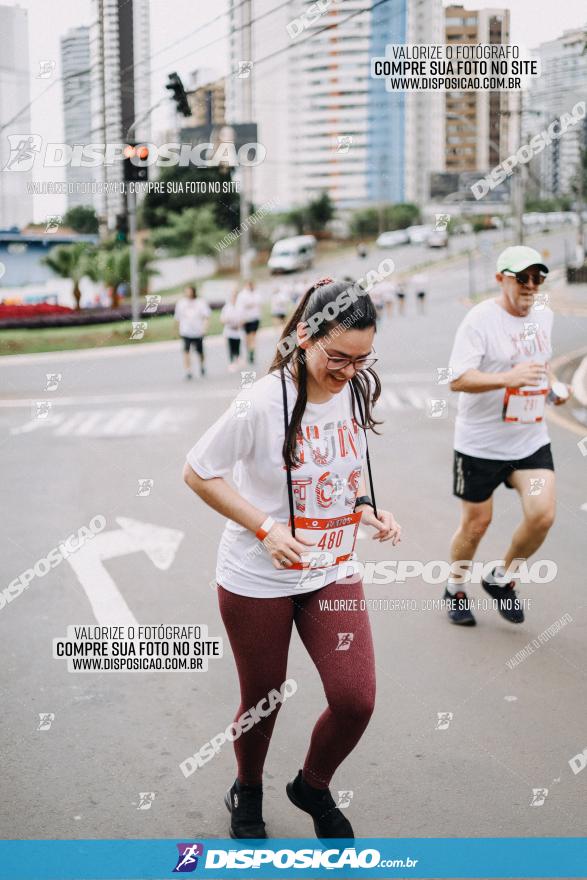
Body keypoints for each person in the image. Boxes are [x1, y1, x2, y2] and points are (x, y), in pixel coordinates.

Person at [183, 277, 402, 840]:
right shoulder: (259, 403)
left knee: (357, 699)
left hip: (332, 569)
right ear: (304, 336)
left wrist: (368, 509)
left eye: (361, 359)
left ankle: (312, 785)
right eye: (338, 357)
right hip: (259, 576)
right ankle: (248, 786)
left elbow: (341, 474)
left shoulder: (353, 390)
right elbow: (198, 471)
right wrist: (263, 527)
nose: (349, 371)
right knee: (264, 698)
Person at [444, 246, 569, 627]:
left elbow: (539, 364)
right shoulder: (479, 321)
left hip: (528, 441)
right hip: (480, 445)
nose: (531, 285)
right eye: (522, 278)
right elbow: (458, 378)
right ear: (501, 279)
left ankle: (501, 577)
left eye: (538, 277)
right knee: (477, 523)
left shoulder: (543, 317)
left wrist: (551, 386)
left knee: (542, 515)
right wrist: (505, 379)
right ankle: (454, 587)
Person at [174, 284, 211, 379]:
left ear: (193, 291)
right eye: (186, 291)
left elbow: (206, 316)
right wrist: (177, 330)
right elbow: (177, 318)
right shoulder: (181, 303)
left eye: (189, 291)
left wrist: (205, 328)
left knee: (200, 352)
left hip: (198, 331)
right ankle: (188, 371)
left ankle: (202, 366)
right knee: (186, 351)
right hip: (186, 331)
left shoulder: (200, 302)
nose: (187, 293)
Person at [236, 280, 262, 365]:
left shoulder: (256, 293)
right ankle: (249, 351)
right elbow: (240, 307)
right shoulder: (242, 295)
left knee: (252, 337)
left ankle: (251, 353)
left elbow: (258, 303)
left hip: (254, 318)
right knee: (247, 338)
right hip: (246, 319)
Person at [220, 286, 244, 372]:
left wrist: (240, 324)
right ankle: (231, 362)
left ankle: (237, 359)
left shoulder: (240, 307)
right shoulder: (227, 307)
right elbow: (222, 319)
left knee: (236, 347)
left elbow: (243, 319)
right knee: (230, 347)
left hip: (237, 331)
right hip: (229, 330)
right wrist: (227, 320)